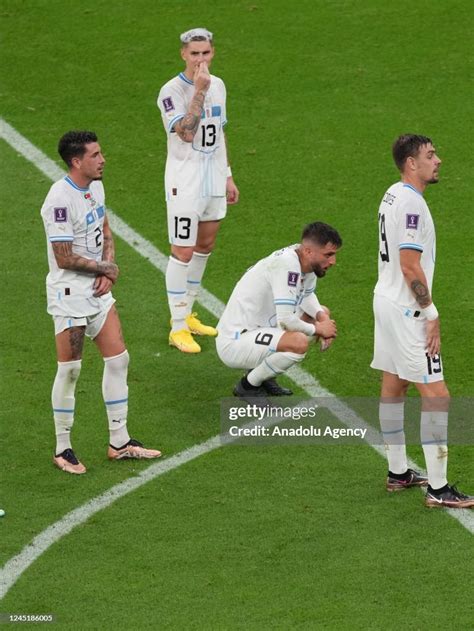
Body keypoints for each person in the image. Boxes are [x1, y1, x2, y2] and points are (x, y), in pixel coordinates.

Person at [40, 131, 161, 475]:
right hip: (69, 296)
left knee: (119, 360)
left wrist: (108, 269)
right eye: (95, 155)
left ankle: (119, 442)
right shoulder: (59, 201)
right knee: (71, 369)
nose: (103, 159)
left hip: (98, 291)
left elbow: (106, 229)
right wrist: (103, 267)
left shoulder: (95, 186)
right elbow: (63, 256)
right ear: (77, 161)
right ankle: (63, 448)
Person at [371, 134, 474, 508]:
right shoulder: (412, 205)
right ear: (411, 163)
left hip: (384, 300)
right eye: (431, 155)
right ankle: (439, 489)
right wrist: (430, 313)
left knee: (394, 385)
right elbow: (410, 265)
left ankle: (398, 472)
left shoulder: (392, 193)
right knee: (437, 396)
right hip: (407, 310)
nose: (439, 160)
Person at [157, 27, 239, 354]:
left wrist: (228, 175)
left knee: (205, 244)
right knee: (183, 250)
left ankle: (187, 313)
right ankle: (177, 328)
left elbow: (219, 133)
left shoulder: (219, 85)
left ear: (213, 52)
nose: (200, 60)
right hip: (185, 180)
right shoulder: (170, 91)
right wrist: (199, 92)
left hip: (213, 177)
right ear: (183, 55)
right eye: (194, 54)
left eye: (205, 53)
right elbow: (186, 133)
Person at [216, 222, 341, 399]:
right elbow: (286, 320)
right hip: (235, 341)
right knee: (298, 342)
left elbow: (306, 296)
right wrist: (320, 329)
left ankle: (263, 375)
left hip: (260, 328)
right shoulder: (286, 265)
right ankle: (248, 387)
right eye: (328, 255)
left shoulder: (307, 261)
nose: (333, 261)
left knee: (320, 312)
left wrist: (323, 317)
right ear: (308, 251)